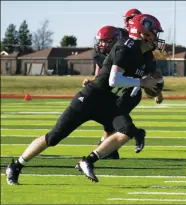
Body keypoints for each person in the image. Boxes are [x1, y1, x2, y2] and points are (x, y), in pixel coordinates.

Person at [5, 14, 165, 185]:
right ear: (143, 33)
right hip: (90, 98)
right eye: (154, 33)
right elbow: (114, 80)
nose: (157, 38)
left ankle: (87, 161)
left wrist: (156, 89)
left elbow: (151, 80)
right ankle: (15, 166)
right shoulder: (125, 47)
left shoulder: (146, 56)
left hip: (109, 103)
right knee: (53, 138)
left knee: (127, 131)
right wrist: (142, 82)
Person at [74, 13, 165, 182]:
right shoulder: (123, 44)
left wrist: (156, 90)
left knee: (119, 124)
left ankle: (102, 151)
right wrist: (93, 82)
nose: (102, 44)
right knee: (118, 124)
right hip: (111, 91)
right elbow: (106, 72)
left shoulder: (140, 49)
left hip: (128, 91)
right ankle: (104, 149)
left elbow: (150, 73)